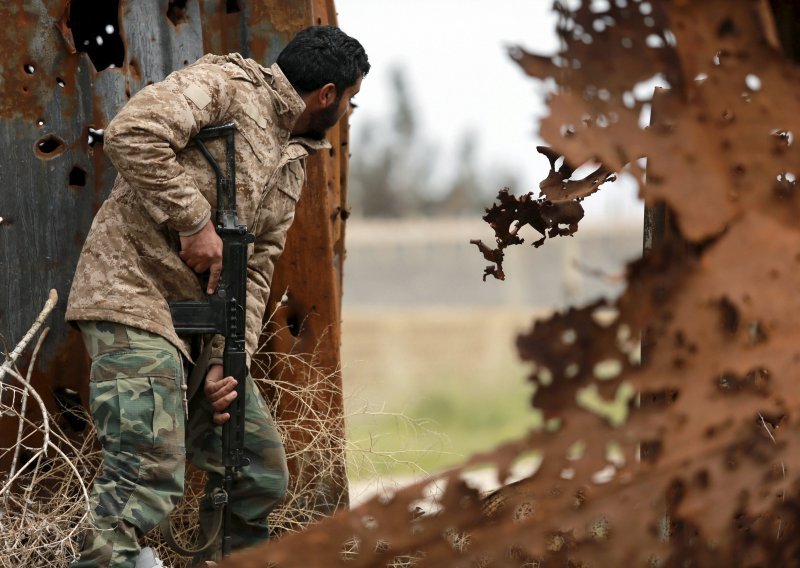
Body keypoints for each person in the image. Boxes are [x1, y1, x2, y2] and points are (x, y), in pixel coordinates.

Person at [65, 25, 369, 567]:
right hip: (133, 296)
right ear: (328, 94)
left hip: (203, 327)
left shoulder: (294, 155)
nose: (350, 111)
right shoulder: (225, 85)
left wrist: (229, 358)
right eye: (352, 100)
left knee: (258, 470)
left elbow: (255, 268)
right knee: (146, 468)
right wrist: (194, 221)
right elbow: (131, 133)